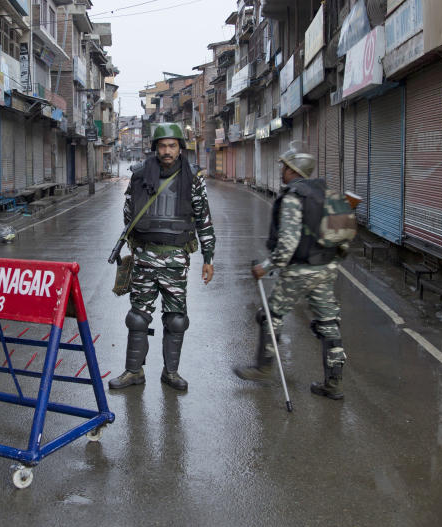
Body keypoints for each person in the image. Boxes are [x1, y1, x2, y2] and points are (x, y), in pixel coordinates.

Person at [233, 142, 347, 400]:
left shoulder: (295, 196)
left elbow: (288, 242)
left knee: (270, 316)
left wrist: (266, 267)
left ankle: (263, 368)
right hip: (325, 268)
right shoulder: (326, 192)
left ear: (294, 170)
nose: (282, 170)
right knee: (329, 324)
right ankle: (334, 383)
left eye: (285, 166)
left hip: (299, 270)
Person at [108, 123, 215, 392]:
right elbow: (129, 213)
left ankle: (171, 372)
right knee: (137, 317)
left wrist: (208, 257)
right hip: (144, 257)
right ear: (155, 147)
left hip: (176, 259)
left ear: (180, 148)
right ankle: (134, 371)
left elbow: (203, 219)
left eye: (172, 146)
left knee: (176, 318)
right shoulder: (140, 174)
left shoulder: (193, 177)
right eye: (162, 146)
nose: (167, 151)